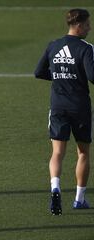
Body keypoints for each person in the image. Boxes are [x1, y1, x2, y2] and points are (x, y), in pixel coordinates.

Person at [34, 8, 94, 215]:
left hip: (58, 105)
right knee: (83, 152)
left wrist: (60, 76)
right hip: (80, 107)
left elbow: (38, 72)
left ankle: (55, 188)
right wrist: (73, 77)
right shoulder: (86, 48)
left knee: (57, 152)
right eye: (87, 24)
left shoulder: (54, 45)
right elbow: (93, 75)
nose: (89, 28)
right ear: (78, 26)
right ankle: (79, 199)